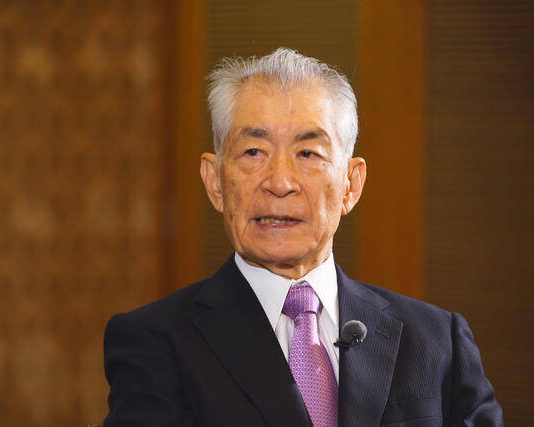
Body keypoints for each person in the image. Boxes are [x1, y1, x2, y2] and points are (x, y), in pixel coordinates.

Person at [103, 48, 503, 426]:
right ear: (215, 182)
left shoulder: (438, 341)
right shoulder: (154, 344)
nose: (280, 183)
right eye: (253, 152)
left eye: (308, 153)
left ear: (351, 185)